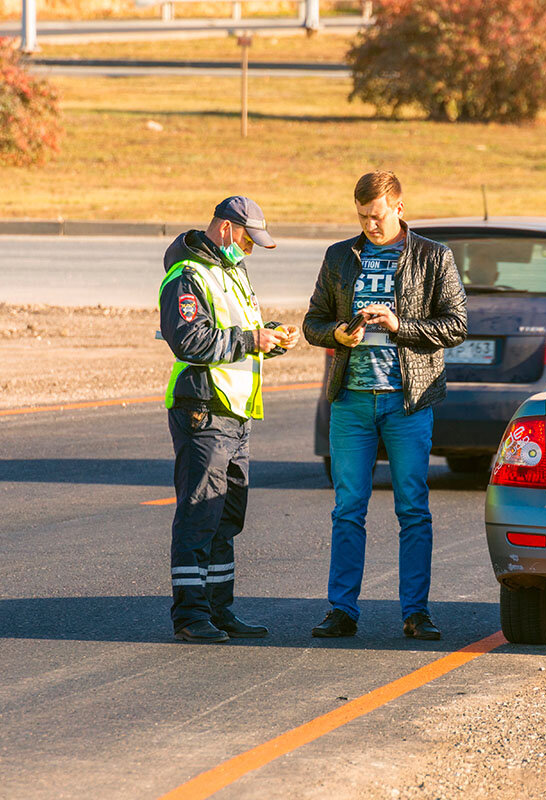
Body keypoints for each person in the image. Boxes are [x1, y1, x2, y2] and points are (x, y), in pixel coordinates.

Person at [302, 171, 467, 640]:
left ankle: (416, 613)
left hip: (407, 404)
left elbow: (455, 325)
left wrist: (399, 325)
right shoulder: (339, 256)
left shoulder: (433, 256)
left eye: (377, 215)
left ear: (398, 206)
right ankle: (342, 610)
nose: (371, 225)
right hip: (351, 404)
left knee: (413, 508)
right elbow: (313, 320)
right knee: (347, 508)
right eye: (362, 217)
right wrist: (335, 334)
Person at [159, 195, 299, 643]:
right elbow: (191, 342)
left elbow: (237, 332)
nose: (250, 249)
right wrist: (251, 338)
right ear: (225, 230)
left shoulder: (232, 272)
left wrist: (270, 337)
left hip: (236, 414)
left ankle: (220, 610)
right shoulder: (187, 276)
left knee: (225, 518)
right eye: (247, 240)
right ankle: (190, 615)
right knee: (199, 516)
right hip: (203, 409)